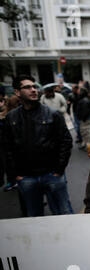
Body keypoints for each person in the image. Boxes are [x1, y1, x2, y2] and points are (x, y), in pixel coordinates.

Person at [4, 75, 73, 216]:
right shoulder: (12, 118)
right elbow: (7, 147)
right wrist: (15, 175)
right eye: (27, 87)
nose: (33, 90)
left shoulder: (52, 114)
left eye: (34, 86)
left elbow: (66, 142)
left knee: (64, 214)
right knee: (34, 218)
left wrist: (59, 169)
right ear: (17, 92)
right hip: (26, 177)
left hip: (52, 174)